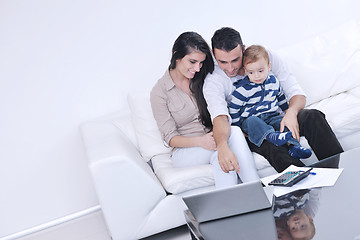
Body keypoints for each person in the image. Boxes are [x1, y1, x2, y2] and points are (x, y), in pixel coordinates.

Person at [203, 27, 344, 173]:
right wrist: (222, 146)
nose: (230, 68)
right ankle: (305, 187)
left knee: (313, 116)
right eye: (223, 62)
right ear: (214, 54)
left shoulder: (264, 57)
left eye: (235, 60)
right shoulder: (213, 80)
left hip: (276, 117)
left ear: (243, 49)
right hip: (252, 128)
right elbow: (219, 118)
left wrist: (291, 113)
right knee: (273, 146)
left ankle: (336, 173)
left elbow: (296, 92)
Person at [150, 31, 259, 189]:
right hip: (186, 151)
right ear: (176, 55)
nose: (198, 68)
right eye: (192, 61)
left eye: (201, 63)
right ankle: (257, 190)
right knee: (233, 134)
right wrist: (200, 141)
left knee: (221, 157)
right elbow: (170, 138)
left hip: (213, 139)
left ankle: (230, 208)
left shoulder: (203, 78)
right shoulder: (160, 92)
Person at [229, 45, 312, 160]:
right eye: (251, 73)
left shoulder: (273, 81)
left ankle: (294, 147)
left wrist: (287, 111)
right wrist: (237, 128)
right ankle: (271, 136)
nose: (256, 76)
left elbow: (280, 96)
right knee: (253, 122)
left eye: (260, 71)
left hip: (272, 116)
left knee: (283, 124)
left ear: (269, 67)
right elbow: (234, 109)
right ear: (245, 71)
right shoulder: (242, 89)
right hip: (251, 119)